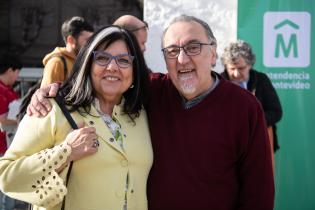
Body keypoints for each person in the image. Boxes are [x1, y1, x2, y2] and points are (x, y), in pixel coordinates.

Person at [26, 15, 274, 210]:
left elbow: (258, 192)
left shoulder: (244, 107)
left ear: (213, 54)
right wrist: (55, 90)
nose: (183, 59)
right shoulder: (149, 91)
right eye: (172, 51)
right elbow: (105, 80)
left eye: (193, 47)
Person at [0, 25, 153, 210]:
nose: (112, 67)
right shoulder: (52, 109)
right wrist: (65, 152)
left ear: (135, 70)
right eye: (102, 58)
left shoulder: (142, 114)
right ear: (88, 64)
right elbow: (6, 175)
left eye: (123, 60)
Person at [221, 40, 283, 171]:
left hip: (260, 145)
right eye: (232, 68)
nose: (236, 74)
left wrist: (251, 122)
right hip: (227, 148)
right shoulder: (218, 83)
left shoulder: (261, 80)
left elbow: (276, 112)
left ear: (250, 64)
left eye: (241, 68)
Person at [41, 16, 94, 87]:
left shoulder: (82, 60)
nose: (91, 44)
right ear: (71, 40)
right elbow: (47, 95)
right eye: (87, 40)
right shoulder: (56, 63)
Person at [0, 54, 22, 210]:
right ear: (9, 71)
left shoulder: (7, 90)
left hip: (6, 145)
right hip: (2, 146)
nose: (17, 76)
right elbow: (1, 119)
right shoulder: (2, 91)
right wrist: (23, 121)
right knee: (4, 192)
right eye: (16, 73)